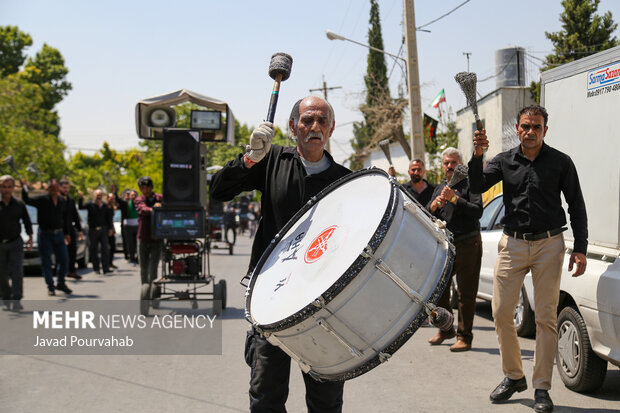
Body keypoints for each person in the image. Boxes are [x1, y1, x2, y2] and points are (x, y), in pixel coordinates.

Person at [210, 95, 350, 413]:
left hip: (323, 304)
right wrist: (249, 158)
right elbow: (218, 190)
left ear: (331, 128)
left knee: (326, 401)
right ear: (292, 126)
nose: (315, 127)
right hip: (271, 299)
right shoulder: (271, 160)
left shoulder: (345, 180)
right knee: (265, 397)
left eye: (322, 120)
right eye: (307, 120)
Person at [468, 105, 588, 413]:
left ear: (545, 130)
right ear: (518, 128)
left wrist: (581, 248)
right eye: (525, 126)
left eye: (536, 126)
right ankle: (513, 376)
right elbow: (476, 186)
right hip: (513, 244)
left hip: (550, 244)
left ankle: (541, 388)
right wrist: (478, 154)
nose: (530, 131)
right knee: (500, 312)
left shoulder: (561, 162)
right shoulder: (505, 161)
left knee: (546, 318)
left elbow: (576, 204)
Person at [426, 147, 483, 352]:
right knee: (439, 289)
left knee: (466, 294)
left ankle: (465, 337)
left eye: (453, 162)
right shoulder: (440, 186)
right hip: (445, 245)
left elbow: (477, 211)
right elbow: (427, 213)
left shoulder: (471, 185)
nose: (449, 166)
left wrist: (455, 199)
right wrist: (433, 205)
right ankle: (445, 329)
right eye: (446, 163)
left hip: (468, 242)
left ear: (460, 164)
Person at [22, 178, 73, 296]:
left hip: (59, 234)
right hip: (45, 234)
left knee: (64, 259)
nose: (54, 190)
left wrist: (67, 233)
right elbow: (26, 200)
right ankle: (50, 286)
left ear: (58, 188)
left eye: (56, 188)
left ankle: (61, 282)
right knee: (47, 262)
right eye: (52, 188)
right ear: (49, 189)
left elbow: (65, 218)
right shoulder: (42, 200)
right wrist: (24, 187)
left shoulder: (62, 201)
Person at [0, 175, 33, 311]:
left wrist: (30, 237)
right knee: (1, 273)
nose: (6, 190)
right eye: (3, 187)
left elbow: (26, 221)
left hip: (15, 242)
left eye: (9, 187)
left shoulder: (19, 204)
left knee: (17, 271)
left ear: (13, 188)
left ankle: (17, 299)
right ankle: (6, 297)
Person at [134, 176, 163, 285]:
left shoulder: (159, 198)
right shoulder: (139, 199)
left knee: (153, 268)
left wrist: (161, 205)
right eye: (142, 188)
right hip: (143, 238)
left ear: (151, 187)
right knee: (144, 268)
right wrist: (154, 209)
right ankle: (145, 290)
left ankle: (153, 292)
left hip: (156, 239)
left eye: (147, 187)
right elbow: (142, 209)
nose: (145, 190)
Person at [78, 189, 114, 274]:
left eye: (100, 195)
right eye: (97, 195)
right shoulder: (90, 205)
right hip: (93, 230)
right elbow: (80, 207)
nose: (99, 197)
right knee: (93, 250)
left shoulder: (105, 206)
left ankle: (106, 268)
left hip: (103, 230)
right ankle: (96, 268)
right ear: (94, 196)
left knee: (105, 249)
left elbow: (109, 218)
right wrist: (80, 198)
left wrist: (110, 229)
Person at [59, 179, 84, 280]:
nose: (65, 190)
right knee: (61, 253)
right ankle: (61, 273)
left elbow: (75, 215)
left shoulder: (71, 200)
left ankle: (72, 271)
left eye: (67, 188)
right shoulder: (57, 200)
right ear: (60, 187)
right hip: (60, 230)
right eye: (64, 188)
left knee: (72, 252)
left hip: (70, 229)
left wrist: (79, 229)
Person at [123, 190, 139, 265]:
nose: (133, 197)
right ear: (129, 196)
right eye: (132, 195)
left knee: (138, 243)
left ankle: (138, 258)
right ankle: (132, 258)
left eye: (134, 195)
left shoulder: (140, 203)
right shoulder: (126, 203)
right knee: (130, 244)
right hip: (128, 226)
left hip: (137, 225)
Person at [106, 192, 118, 269]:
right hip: (105, 230)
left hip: (110, 228)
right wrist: (109, 229)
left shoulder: (112, 208)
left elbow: (110, 220)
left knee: (112, 247)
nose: (112, 200)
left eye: (113, 198)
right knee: (107, 248)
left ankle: (110, 263)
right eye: (110, 198)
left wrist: (113, 229)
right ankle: (106, 264)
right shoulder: (105, 207)